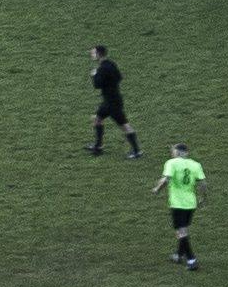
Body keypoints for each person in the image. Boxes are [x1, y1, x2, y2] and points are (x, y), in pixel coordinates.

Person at [154, 142, 207, 270]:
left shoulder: (171, 163)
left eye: (173, 151)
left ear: (177, 152)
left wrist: (157, 189)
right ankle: (178, 255)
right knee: (184, 230)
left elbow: (165, 180)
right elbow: (203, 183)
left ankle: (191, 259)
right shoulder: (196, 164)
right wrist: (203, 198)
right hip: (191, 203)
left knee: (181, 232)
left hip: (178, 203)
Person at [86, 45, 141, 158]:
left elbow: (97, 85)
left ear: (98, 54)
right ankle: (98, 146)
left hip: (112, 103)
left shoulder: (102, 69)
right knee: (97, 119)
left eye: (93, 53)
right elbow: (119, 77)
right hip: (111, 100)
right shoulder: (111, 64)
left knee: (125, 126)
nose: (91, 55)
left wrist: (94, 75)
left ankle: (137, 152)